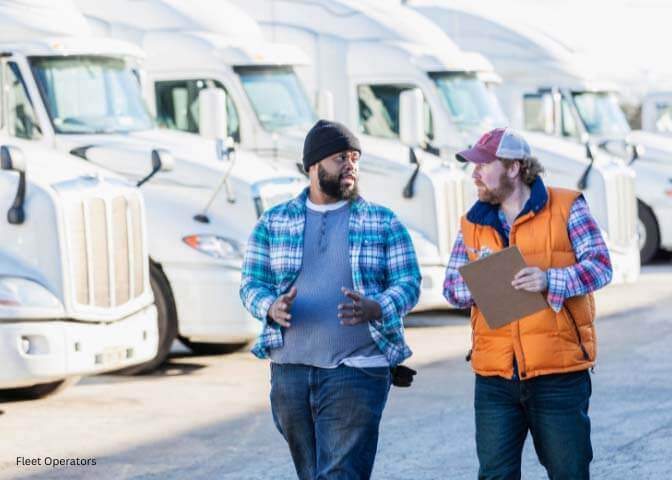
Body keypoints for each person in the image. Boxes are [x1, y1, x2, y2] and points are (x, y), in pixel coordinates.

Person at [240, 119, 421, 480]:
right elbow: (250, 284)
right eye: (341, 157)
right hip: (289, 371)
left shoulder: (382, 221)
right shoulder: (273, 222)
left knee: (339, 474)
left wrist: (377, 307)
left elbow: (409, 282)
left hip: (357, 369)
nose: (351, 165)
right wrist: (270, 307)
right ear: (314, 165)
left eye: (355, 157)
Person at [443, 127, 613, 480]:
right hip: (495, 377)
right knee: (494, 476)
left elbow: (600, 266)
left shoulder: (567, 206)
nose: (473, 174)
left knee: (569, 472)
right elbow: (451, 288)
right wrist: (477, 285)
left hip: (558, 374)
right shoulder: (472, 222)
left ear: (513, 167)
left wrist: (550, 279)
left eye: (482, 165)